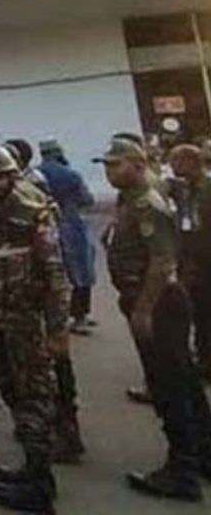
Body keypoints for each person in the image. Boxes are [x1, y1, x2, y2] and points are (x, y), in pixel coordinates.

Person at [99, 137, 211, 501]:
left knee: (169, 386)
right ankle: (203, 454)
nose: (109, 171)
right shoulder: (129, 200)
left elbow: (162, 262)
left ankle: (181, 472)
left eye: (116, 164)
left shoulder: (148, 203)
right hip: (149, 300)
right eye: (106, 165)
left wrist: (143, 310)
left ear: (137, 163)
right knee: (184, 380)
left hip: (159, 303)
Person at [0, 145, 70, 512]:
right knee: (10, 390)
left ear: (12, 174)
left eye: (0, 175)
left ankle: (41, 484)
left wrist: (58, 329)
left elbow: (55, 273)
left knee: (34, 396)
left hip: (27, 319)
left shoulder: (33, 209)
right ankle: (30, 466)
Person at [36, 140, 97, 335]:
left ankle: (57, 318)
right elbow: (87, 200)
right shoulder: (70, 174)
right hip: (72, 225)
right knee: (81, 271)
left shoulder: (37, 175)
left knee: (53, 274)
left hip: (46, 226)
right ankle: (80, 316)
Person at [168, 144, 211, 379]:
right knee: (200, 314)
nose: (172, 167)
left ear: (189, 163)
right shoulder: (188, 189)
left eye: (175, 162)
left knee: (205, 314)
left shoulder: (206, 190)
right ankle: (204, 357)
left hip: (205, 263)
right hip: (193, 262)